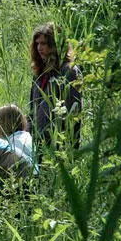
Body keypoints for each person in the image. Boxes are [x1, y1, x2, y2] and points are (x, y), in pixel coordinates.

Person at [27, 22, 82, 162]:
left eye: (44, 43)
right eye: (37, 43)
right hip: (37, 145)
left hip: (59, 147)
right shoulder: (39, 73)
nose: (40, 48)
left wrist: (70, 148)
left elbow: (74, 113)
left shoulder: (69, 71)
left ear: (56, 45)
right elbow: (32, 109)